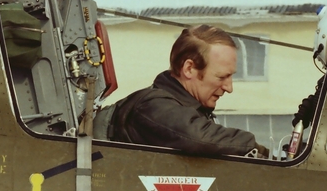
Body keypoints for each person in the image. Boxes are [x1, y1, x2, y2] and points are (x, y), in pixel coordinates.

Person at [105, 25, 268, 158]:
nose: (229, 88)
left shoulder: (187, 109)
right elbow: (198, 138)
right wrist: (256, 148)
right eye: (221, 77)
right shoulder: (153, 106)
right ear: (189, 69)